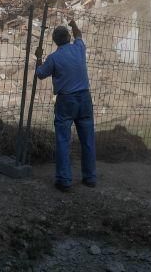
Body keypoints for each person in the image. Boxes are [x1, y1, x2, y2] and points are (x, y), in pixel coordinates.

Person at [35, 19, 96, 192]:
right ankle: (90, 178)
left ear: (55, 41)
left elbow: (40, 74)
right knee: (88, 140)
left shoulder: (54, 58)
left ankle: (64, 180)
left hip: (66, 100)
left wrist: (38, 57)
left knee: (63, 140)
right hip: (84, 98)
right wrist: (74, 25)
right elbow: (79, 35)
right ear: (69, 37)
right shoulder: (79, 49)